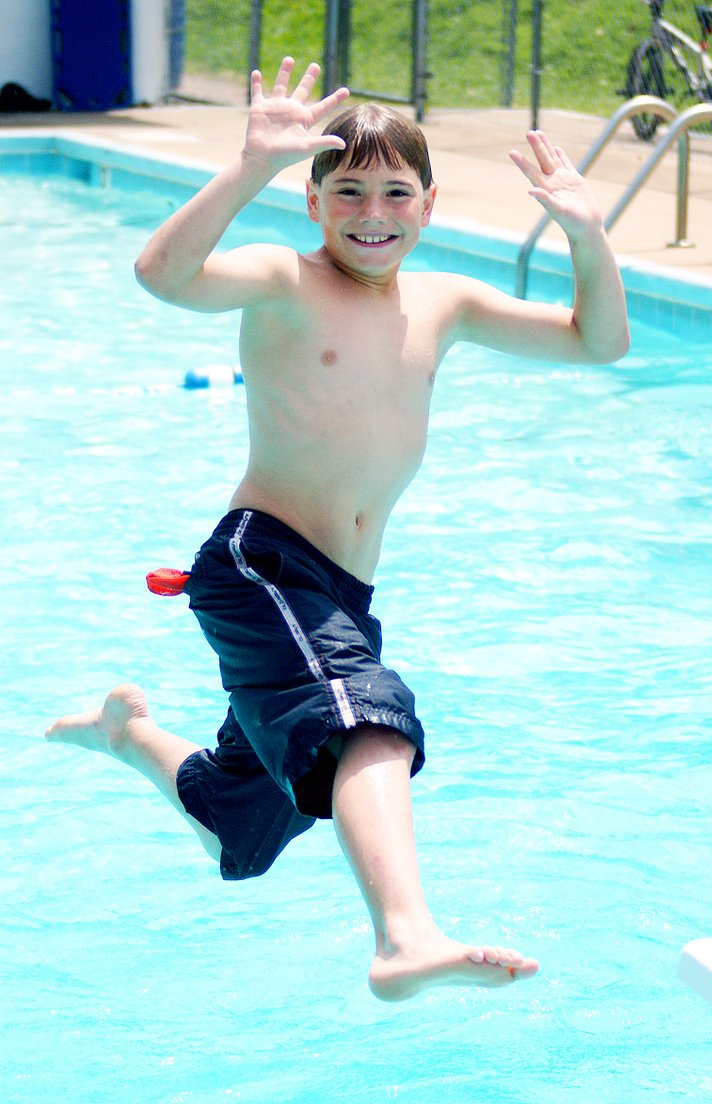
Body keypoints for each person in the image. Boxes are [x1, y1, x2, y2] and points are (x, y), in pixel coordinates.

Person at [46, 58, 629, 1001]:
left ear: (429, 204)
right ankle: (405, 937)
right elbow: (162, 273)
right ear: (313, 202)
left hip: (340, 596)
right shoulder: (284, 277)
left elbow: (598, 341)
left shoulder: (447, 303)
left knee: (243, 826)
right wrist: (248, 167)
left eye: (396, 192)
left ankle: (128, 735)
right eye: (348, 190)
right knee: (367, 722)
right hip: (262, 563)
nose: (373, 212)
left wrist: (588, 234)